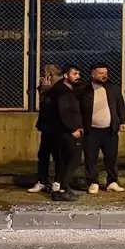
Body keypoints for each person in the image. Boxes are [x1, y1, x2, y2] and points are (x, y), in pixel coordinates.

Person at [81, 64, 125, 194]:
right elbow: (77, 109)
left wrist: (123, 121)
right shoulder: (83, 89)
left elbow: (120, 105)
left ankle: (112, 182)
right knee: (91, 158)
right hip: (91, 130)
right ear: (92, 74)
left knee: (111, 157)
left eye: (105, 73)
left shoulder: (113, 88)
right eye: (100, 73)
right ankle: (92, 182)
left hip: (110, 130)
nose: (104, 75)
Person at [48, 65, 84, 202]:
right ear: (65, 75)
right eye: (74, 73)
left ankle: (58, 188)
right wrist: (73, 128)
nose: (78, 76)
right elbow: (64, 111)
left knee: (63, 160)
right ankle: (63, 188)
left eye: (78, 73)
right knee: (74, 159)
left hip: (63, 131)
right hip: (67, 132)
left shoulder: (69, 90)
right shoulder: (62, 91)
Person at [28, 64, 63, 193]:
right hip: (47, 127)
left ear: (50, 74)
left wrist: (46, 90)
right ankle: (42, 181)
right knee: (43, 155)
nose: (44, 77)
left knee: (59, 156)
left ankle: (58, 182)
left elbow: (55, 105)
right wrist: (42, 89)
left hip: (59, 128)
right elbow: (44, 104)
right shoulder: (47, 87)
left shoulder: (61, 86)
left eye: (46, 74)